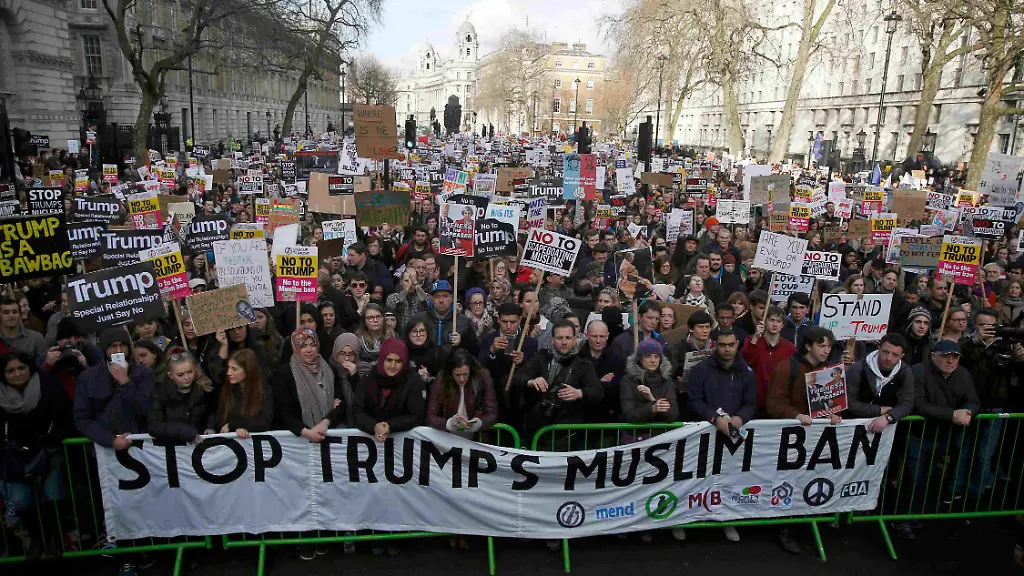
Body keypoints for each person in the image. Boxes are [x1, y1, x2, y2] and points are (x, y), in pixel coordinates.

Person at [895, 340, 981, 540]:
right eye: (945, 356)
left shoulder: (963, 374)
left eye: (955, 357)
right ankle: (901, 519)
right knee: (912, 477)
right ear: (933, 355)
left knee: (927, 477)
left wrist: (967, 412)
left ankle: (914, 514)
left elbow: (974, 400)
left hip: (944, 436)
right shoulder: (918, 371)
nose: (950, 361)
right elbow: (918, 404)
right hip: (918, 435)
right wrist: (953, 415)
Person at [684, 329, 755, 543]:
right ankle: (686, 520)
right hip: (703, 434)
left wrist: (740, 419)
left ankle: (726, 519)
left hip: (732, 435)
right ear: (715, 345)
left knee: (729, 479)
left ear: (737, 345)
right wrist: (715, 419)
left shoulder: (746, 372)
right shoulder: (701, 370)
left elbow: (751, 403)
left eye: (730, 345)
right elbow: (693, 400)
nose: (726, 349)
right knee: (694, 479)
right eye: (722, 345)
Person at [0, 350, 71, 557]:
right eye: (10, 370)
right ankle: (36, 538)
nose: (17, 373)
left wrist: (53, 440)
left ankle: (54, 539)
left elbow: (64, 414)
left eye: (21, 368)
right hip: (12, 459)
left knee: (53, 496)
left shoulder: (48, 384)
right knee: (21, 500)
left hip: (47, 452)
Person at [957, 307, 1024, 498]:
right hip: (967, 407)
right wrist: (975, 342)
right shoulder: (967, 344)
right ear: (974, 326)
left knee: (983, 456)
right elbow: (956, 361)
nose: (987, 329)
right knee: (962, 453)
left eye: (991, 326)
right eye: (982, 325)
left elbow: (1015, 381)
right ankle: (956, 490)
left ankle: (976, 495)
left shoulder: (1006, 346)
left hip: (995, 409)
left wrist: (1019, 362)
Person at [512, 320, 603, 448]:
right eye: (560, 338)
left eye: (568, 338)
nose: (564, 342)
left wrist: (579, 393)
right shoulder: (541, 358)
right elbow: (517, 377)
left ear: (575, 339)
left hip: (569, 434)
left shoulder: (584, 364)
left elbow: (598, 392)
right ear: (553, 340)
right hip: (538, 430)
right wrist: (531, 381)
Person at [73, 327, 154, 449]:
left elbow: (147, 410)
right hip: (103, 450)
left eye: (122, 346)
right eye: (113, 346)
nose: (118, 351)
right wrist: (110, 440)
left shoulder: (144, 373)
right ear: (105, 349)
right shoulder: (88, 378)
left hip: (140, 446)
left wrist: (125, 382)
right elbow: (82, 418)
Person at [274, 329, 346, 447]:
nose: (309, 350)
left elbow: (340, 405)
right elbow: (285, 413)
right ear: (295, 348)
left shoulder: (329, 370)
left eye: (312, 345)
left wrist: (325, 423)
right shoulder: (284, 373)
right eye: (303, 346)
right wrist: (308, 433)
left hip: (327, 434)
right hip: (299, 440)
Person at [844, 333, 915, 433]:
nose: (889, 358)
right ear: (878, 348)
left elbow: (907, 403)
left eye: (895, 355)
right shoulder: (858, 368)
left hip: (887, 431)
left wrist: (888, 417)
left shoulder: (904, 372)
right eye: (886, 352)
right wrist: (879, 410)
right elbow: (848, 402)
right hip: (853, 426)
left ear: (902, 356)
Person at [427, 348, 498, 441]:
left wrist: (480, 423)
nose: (461, 379)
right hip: (447, 439)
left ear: (470, 370)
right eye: (457, 375)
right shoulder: (441, 379)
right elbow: (431, 415)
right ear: (450, 372)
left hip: (476, 439)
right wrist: (448, 423)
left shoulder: (483, 378)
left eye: (465, 374)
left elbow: (492, 413)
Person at [147, 353, 215, 444]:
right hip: (174, 446)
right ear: (170, 375)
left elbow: (214, 410)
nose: (186, 377)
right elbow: (154, 426)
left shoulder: (205, 389)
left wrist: (211, 426)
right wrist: (184, 431)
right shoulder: (160, 393)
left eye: (190, 372)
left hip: (202, 445)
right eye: (180, 375)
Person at [741, 306, 797, 415]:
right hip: (755, 401)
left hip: (779, 402)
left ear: (783, 325)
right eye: (771, 320)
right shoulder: (752, 340)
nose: (775, 324)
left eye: (778, 321)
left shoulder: (790, 348)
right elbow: (745, 360)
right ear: (764, 322)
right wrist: (756, 337)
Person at [210, 349, 274, 438]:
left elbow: (264, 421)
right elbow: (220, 418)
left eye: (234, 369)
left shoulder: (264, 389)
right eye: (228, 367)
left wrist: (234, 425)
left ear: (247, 370)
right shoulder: (228, 388)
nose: (229, 373)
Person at [418, 280, 479, 356]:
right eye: (437, 296)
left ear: (452, 298)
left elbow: (476, 350)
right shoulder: (420, 320)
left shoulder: (464, 321)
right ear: (431, 298)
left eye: (445, 296)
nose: (441, 300)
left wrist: (462, 342)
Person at [404, 317, 449, 385]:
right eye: (414, 331)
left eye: (422, 331)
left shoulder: (438, 352)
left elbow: (446, 380)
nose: (418, 335)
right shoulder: (402, 352)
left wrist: (429, 379)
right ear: (408, 334)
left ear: (427, 332)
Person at [354, 304, 394, 376]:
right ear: (364, 321)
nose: (375, 320)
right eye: (370, 318)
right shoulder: (357, 339)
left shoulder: (393, 338)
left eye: (378, 316)